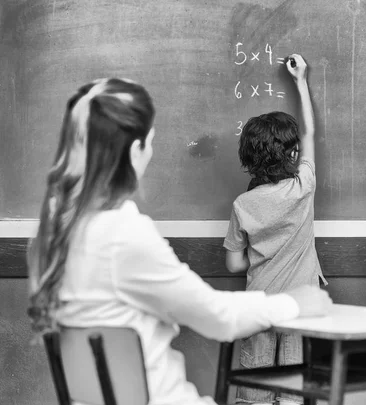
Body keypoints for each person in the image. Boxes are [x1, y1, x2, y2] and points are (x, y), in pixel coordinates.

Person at [26, 77, 332, 405]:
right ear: (134, 151)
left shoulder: (49, 238)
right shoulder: (126, 234)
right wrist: (295, 303)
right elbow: (217, 317)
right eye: (150, 142)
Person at [224, 54, 326, 405]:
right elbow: (310, 132)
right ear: (294, 153)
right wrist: (301, 80)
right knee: (296, 394)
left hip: (260, 310)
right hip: (302, 308)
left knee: (255, 394)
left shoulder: (242, 205)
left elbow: (235, 265)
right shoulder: (303, 187)